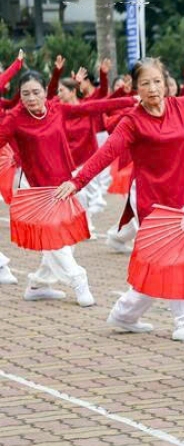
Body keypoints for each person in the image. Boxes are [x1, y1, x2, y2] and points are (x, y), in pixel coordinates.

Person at [55, 57, 184, 341]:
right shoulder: (132, 121)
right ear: (135, 88)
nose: (152, 88)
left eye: (157, 82)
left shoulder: (181, 106)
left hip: (179, 196)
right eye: (145, 83)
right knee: (174, 258)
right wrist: (77, 182)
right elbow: (106, 154)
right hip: (149, 199)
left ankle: (125, 314)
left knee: (160, 261)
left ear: (165, 83)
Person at [2, 66, 137, 307]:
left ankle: (38, 284)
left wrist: (130, 100)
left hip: (64, 185)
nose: (31, 98)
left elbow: (91, 107)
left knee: (65, 238)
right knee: (55, 237)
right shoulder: (15, 119)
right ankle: (78, 279)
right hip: (36, 190)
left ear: (46, 92)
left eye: (35, 92)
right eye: (25, 94)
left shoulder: (57, 110)